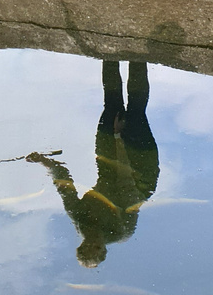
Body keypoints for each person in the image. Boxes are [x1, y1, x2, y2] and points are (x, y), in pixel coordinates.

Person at [28, 61, 161, 267]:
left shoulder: (78, 216)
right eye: (96, 248)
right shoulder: (120, 230)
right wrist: (118, 137)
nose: (92, 243)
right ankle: (138, 55)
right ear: (104, 249)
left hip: (108, 169)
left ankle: (109, 53)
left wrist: (44, 161)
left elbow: (64, 183)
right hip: (140, 176)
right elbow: (127, 186)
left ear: (79, 246)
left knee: (111, 106)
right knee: (135, 112)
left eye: (85, 247)